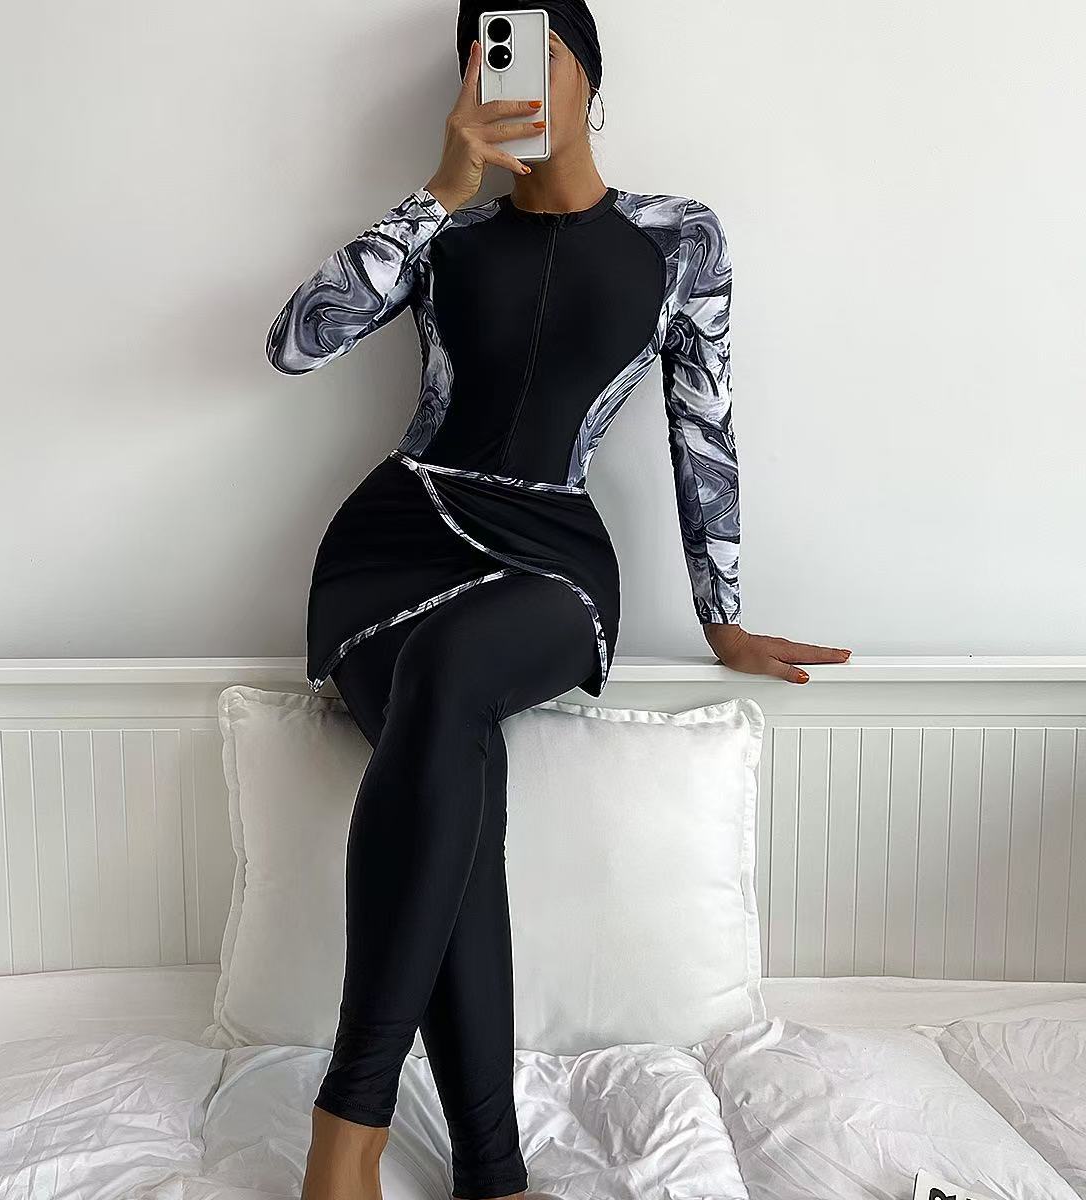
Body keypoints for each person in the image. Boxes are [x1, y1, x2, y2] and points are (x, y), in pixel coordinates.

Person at [266, 3, 852, 1196]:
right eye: (490, 56)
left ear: (590, 77)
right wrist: (440, 188)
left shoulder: (678, 237)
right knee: (455, 759)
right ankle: (494, 1172)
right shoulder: (447, 234)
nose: (518, 78)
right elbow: (295, 344)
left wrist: (722, 614)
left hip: (551, 555)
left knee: (449, 676)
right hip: (392, 545)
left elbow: (704, 425)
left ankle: (346, 1127)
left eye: (543, 53)